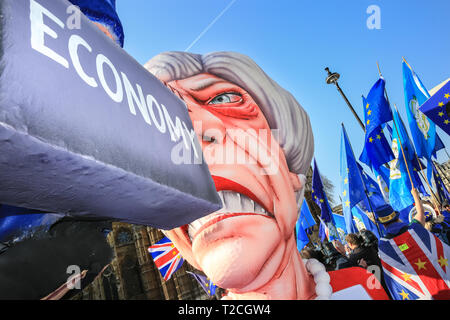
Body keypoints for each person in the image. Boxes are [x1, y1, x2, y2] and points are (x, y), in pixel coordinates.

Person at [145, 51, 388, 300]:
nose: (190, 139)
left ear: (294, 174)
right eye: (159, 133)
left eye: (223, 99)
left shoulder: (361, 289)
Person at [376, 188, 450, 300]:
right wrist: (415, 196)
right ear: (397, 218)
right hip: (444, 284)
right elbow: (420, 213)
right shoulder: (415, 229)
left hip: (422, 295)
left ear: (383, 225)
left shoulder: (383, 245)